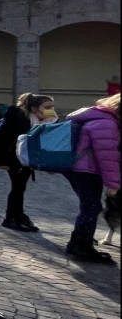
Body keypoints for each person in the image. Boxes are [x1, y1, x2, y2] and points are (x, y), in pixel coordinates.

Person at [61, 93, 120, 263]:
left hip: (82, 169)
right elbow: (107, 157)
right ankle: (81, 247)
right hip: (87, 171)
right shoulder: (107, 124)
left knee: (90, 207)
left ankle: (77, 244)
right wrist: (113, 184)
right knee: (91, 208)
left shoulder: (98, 116)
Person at [0, 92, 55, 233]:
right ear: (34, 108)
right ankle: (10, 218)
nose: (51, 110)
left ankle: (18, 215)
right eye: (47, 107)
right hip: (13, 159)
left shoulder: (45, 120)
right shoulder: (20, 119)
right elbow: (1, 139)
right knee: (17, 187)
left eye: (52, 106)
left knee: (20, 187)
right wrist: (1, 161)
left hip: (26, 159)